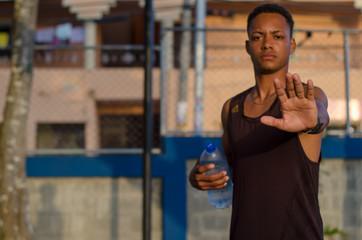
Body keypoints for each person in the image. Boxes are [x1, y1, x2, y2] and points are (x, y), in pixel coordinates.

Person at [189, 3, 330, 240]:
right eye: (257, 37)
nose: (267, 43)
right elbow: (223, 162)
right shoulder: (231, 108)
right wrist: (199, 174)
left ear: (291, 44)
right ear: (248, 46)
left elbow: (320, 115)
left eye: (277, 36)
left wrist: (314, 121)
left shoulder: (306, 97)